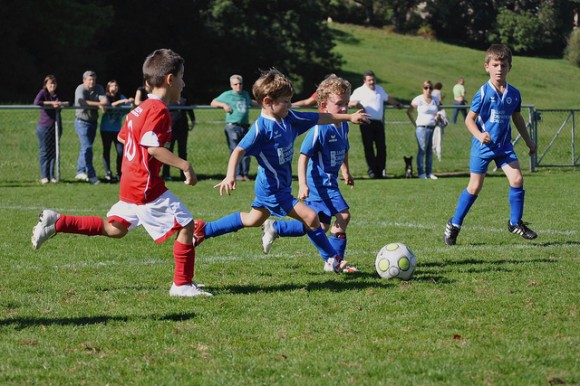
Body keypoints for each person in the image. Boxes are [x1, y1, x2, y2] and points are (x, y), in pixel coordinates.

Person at [31, 48, 212, 297]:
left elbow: (122, 136)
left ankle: (58, 222)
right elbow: (153, 148)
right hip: (145, 186)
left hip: (130, 183)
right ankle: (182, 284)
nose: (184, 83)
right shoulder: (158, 110)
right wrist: (185, 165)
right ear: (170, 80)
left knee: (116, 229)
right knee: (186, 225)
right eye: (181, 77)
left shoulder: (138, 110)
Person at [194, 69, 368, 273]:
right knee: (311, 218)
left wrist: (348, 117)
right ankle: (333, 259)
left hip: (277, 186)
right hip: (272, 189)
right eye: (285, 101)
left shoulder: (288, 118)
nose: (289, 104)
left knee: (252, 219)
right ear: (268, 101)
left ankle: (205, 229)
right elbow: (238, 150)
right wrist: (230, 175)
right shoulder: (261, 129)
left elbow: (319, 118)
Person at [444, 44, 538, 246]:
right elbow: (469, 120)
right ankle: (454, 224)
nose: (499, 69)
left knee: (517, 179)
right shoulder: (483, 93)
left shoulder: (514, 93)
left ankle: (515, 223)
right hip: (483, 147)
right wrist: (479, 135)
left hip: (504, 147)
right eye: (495, 65)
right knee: (475, 186)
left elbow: (517, 118)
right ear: (487, 66)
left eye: (503, 65)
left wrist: (529, 141)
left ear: (509, 67)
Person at [260, 75, 356, 271]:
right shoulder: (318, 130)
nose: (345, 109)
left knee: (320, 226)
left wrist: (346, 171)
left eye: (346, 103)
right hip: (319, 184)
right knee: (343, 216)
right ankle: (335, 261)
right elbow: (303, 156)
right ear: (323, 106)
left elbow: (344, 149)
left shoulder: (344, 125)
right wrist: (303, 184)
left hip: (331, 182)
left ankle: (276, 228)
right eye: (339, 104)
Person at [349, 70, 403, 179]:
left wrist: (397, 104)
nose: (372, 82)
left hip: (378, 122)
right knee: (369, 147)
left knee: (381, 147)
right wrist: (357, 104)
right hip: (365, 122)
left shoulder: (379, 89)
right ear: (365, 81)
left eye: (373, 79)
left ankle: (380, 171)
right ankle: (372, 171)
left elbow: (388, 98)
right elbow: (349, 102)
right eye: (369, 80)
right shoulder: (359, 91)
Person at [211, 74, 257, 181]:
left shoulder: (245, 94)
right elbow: (213, 102)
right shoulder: (227, 95)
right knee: (235, 151)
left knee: (247, 151)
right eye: (235, 84)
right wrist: (223, 105)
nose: (238, 86)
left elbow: (251, 102)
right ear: (231, 85)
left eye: (240, 84)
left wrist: (264, 103)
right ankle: (236, 174)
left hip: (245, 127)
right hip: (233, 126)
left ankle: (245, 174)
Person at [33, 75, 69, 184]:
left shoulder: (59, 93)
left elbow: (70, 102)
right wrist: (51, 103)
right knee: (44, 151)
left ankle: (52, 175)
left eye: (54, 83)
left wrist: (61, 103)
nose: (52, 86)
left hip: (56, 126)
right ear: (46, 85)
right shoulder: (43, 92)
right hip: (44, 127)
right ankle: (44, 176)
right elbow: (37, 102)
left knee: (54, 151)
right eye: (50, 84)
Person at [73, 70, 107, 184]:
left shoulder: (99, 88)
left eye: (93, 80)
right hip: (81, 122)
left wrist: (102, 103)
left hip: (93, 122)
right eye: (89, 80)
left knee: (85, 148)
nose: (92, 82)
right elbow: (82, 102)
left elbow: (105, 100)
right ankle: (91, 176)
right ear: (84, 80)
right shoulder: (80, 88)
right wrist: (98, 104)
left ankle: (80, 172)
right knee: (87, 147)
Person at [406, 80, 442, 179]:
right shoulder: (418, 99)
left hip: (432, 127)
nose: (428, 90)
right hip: (421, 128)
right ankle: (421, 173)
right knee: (422, 150)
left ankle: (429, 172)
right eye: (426, 87)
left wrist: (437, 116)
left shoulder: (435, 99)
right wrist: (415, 124)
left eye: (430, 87)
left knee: (430, 151)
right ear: (423, 89)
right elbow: (409, 111)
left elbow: (439, 111)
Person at [100, 80, 134, 183]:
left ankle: (119, 173)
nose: (114, 88)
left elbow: (129, 107)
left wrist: (131, 102)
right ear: (108, 88)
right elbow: (107, 107)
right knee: (107, 150)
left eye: (116, 85)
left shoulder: (121, 96)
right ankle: (108, 172)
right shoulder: (105, 97)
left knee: (121, 151)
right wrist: (121, 102)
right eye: (112, 86)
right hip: (106, 129)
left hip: (117, 130)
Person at [162, 96, 196, 181]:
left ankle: (184, 174)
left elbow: (190, 111)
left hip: (183, 130)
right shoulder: (168, 100)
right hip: (170, 131)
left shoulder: (184, 100)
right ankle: (166, 174)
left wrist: (193, 121)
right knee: (168, 151)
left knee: (182, 151)